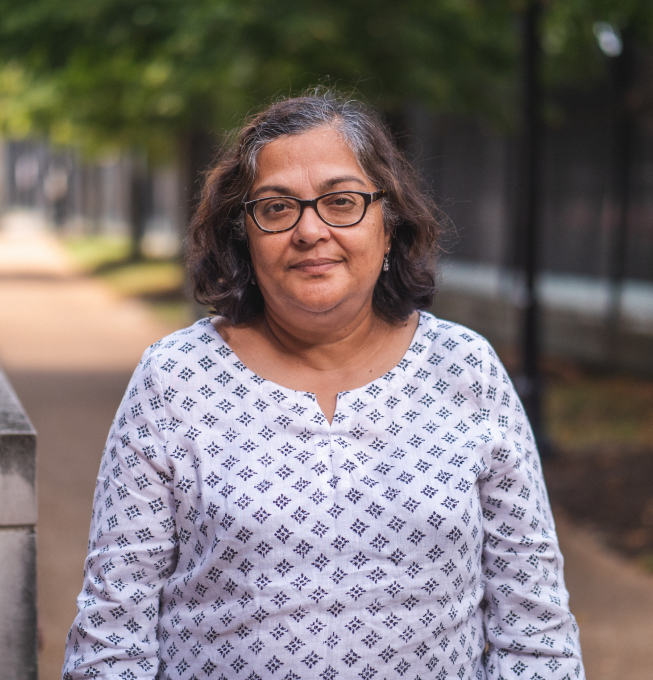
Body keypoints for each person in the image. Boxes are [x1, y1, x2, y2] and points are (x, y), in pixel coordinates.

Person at [63, 91, 583, 680]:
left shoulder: (467, 372)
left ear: (389, 227)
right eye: (278, 208)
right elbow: (113, 634)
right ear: (244, 236)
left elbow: (534, 630)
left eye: (341, 202)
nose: (310, 230)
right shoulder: (175, 380)